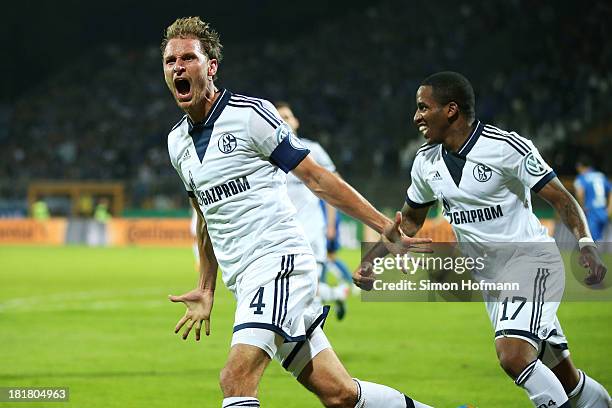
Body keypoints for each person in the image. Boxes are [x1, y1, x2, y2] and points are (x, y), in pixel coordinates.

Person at [161, 17, 433, 408]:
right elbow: (205, 218)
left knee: (235, 378)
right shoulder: (176, 143)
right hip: (246, 280)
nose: (179, 67)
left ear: (212, 66)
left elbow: (317, 178)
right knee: (339, 394)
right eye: (171, 61)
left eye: (189, 57)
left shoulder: (250, 115)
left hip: (279, 263)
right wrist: (206, 287)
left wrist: (384, 228)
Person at [354, 72, 610, 408]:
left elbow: (561, 198)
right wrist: (371, 260)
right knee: (566, 378)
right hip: (491, 281)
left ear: (451, 109)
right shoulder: (426, 163)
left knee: (513, 356)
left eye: (423, 107)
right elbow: (411, 219)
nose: (416, 116)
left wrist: (586, 244)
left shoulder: (506, 147)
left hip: (532, 264)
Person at [275, 101, 350, 320]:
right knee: (291, 291)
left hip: (312, 231)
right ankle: (337, 293)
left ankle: (311, 347)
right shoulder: (268, 156)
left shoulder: (313, 149)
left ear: (296, 121)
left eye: (287, 117)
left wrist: (331, 224)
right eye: (279, 118)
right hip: (282, 235)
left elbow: (334, 186)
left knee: (308, 293)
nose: (284, 122)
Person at [574, 156, 611, 242]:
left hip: (591, 211)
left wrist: (582, 207)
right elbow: (610, 190)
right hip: (603, 212)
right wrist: (609, 209)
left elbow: (580, 193)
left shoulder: (582, 177)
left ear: (580, 166)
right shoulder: (600, 175)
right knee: (596, 241)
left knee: (589, 241)